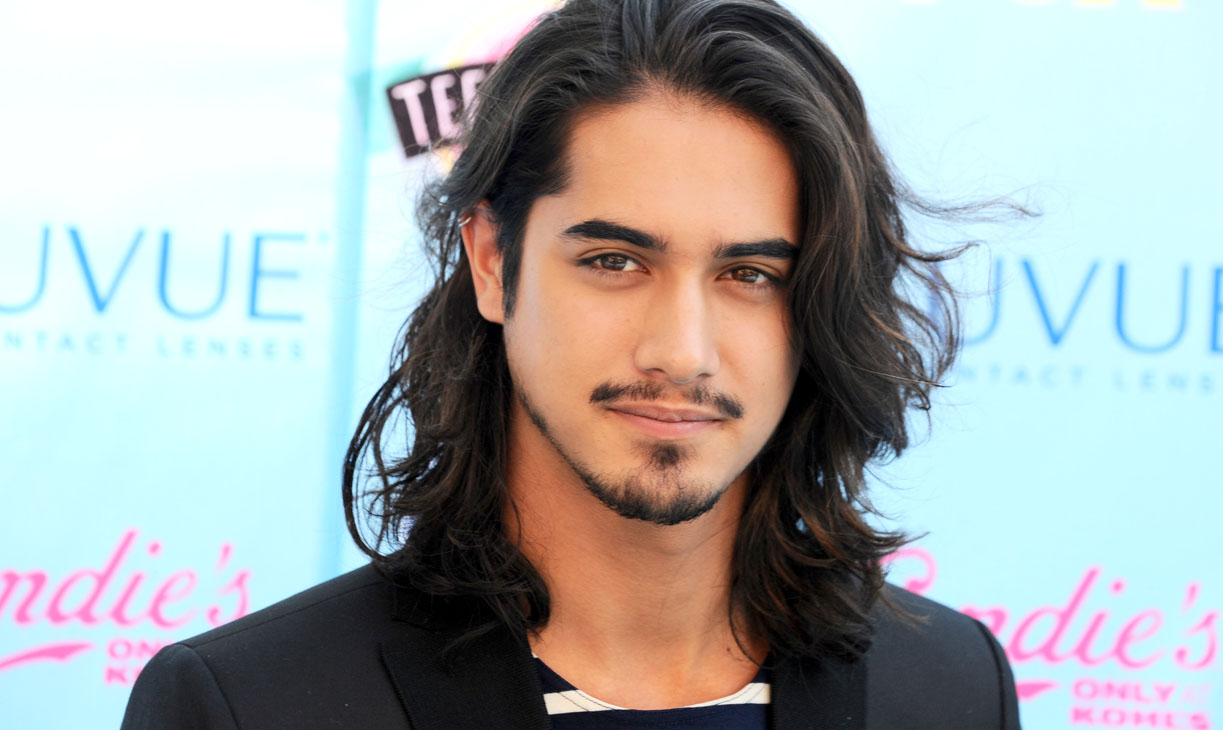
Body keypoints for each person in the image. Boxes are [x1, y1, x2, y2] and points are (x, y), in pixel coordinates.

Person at [122, 0, 1020, 727]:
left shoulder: (949, 689)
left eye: (749, 275)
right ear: (490, 262)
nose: (682, 351)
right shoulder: (251, 704)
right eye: (615, 262)